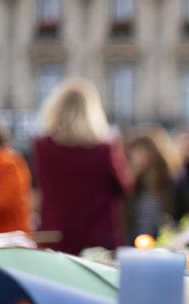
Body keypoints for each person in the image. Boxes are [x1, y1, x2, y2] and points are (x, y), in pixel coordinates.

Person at [32, 78, 133, 254]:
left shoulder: (42, 147)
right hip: (98, 238)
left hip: (56, 236)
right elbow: (123, 187)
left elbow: (39, 187)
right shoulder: (106, 149)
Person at [126, 127, 180, 241]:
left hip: (163, 246)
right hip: (134, 246)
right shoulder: (132, 185)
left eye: (139, 151)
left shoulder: (170, 184)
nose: (133, 156)